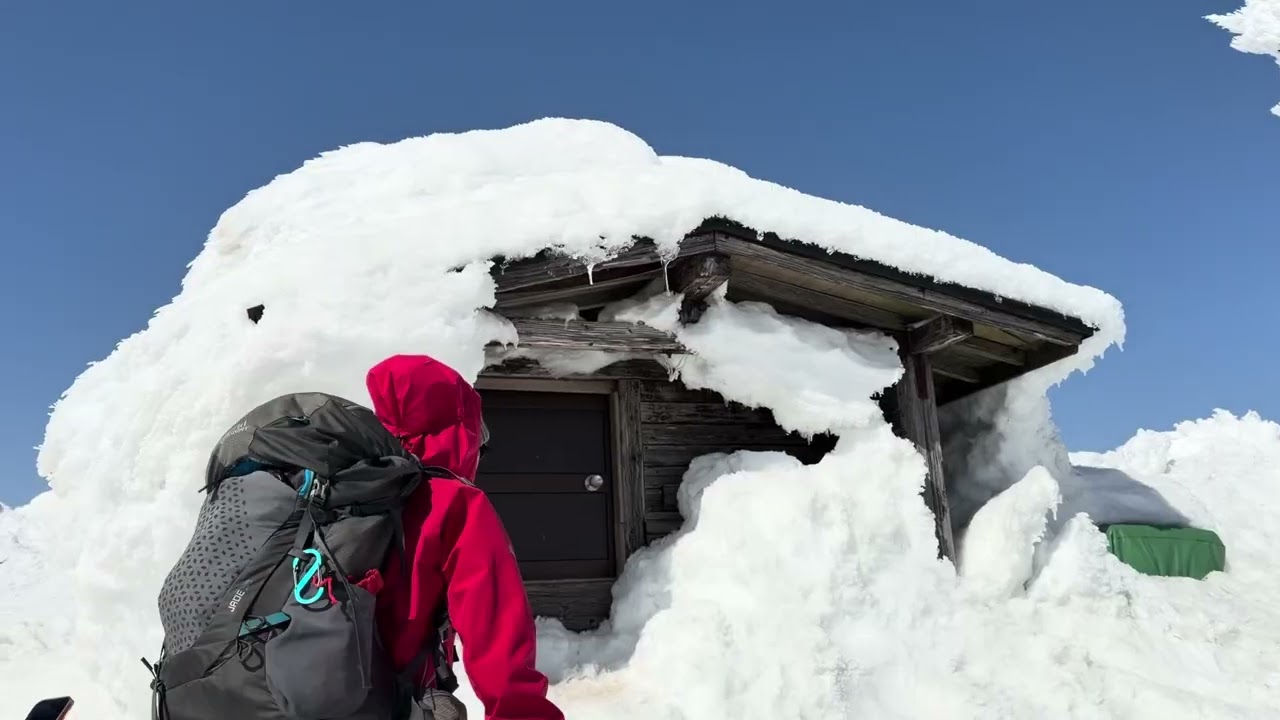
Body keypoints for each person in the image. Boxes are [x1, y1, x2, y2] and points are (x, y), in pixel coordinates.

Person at [365, 354, 565, 720]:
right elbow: (498, 641)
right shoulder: (454, 503)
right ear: (461, 428)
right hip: (403, 704)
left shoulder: (348, 491)